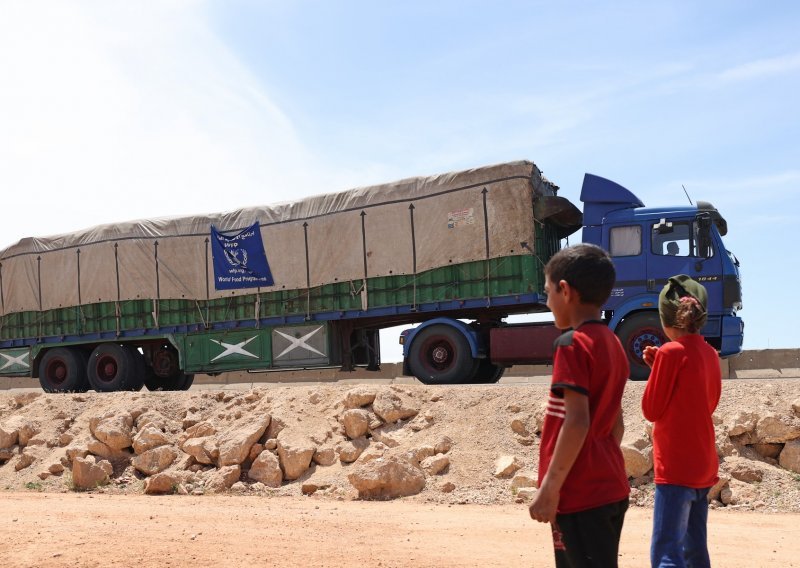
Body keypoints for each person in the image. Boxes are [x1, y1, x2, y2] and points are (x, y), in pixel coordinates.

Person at [529, 243, 630, 567]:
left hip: (580, 495)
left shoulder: (572, 345)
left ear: (565, 290)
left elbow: (576, 422)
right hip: (610, 486)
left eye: (548, 293)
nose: (547, 303)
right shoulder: (612, 343)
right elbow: (617, 423)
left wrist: (550, 488)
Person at [642, 275, 721, 568]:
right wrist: (660, 368)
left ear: (666, 320)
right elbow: (706, 402)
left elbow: (651, 409)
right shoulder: (711, 354)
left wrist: (658, 369)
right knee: (695, 551)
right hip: (703, 466)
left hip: (675, 468)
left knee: (666, 554)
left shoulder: (669, 353)